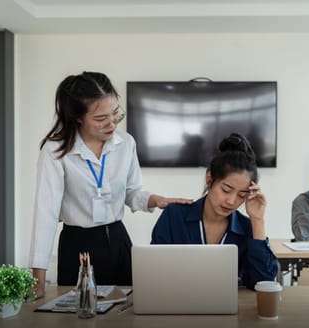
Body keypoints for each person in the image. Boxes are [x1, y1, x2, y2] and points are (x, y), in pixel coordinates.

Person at [28, 71, 192, 298]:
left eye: (115, 113)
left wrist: (155, 200)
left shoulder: (126, 143)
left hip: (118, 241)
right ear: (77, 117)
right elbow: (46, 214)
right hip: (78, 246)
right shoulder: (56, 151)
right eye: (100, 118)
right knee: (80, 320)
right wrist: (38, 279)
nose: (112, 122)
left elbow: (132, 192)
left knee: (127, 315)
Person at [151, 133, 278, 289]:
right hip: (177, 303)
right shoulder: (174, 216)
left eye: (242, 195)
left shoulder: (247, 228)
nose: (231, 201)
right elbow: (154, 272)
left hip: (229, 308)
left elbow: (263, 283)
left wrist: (258, 221)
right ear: (209, 179)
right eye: (226, 190)